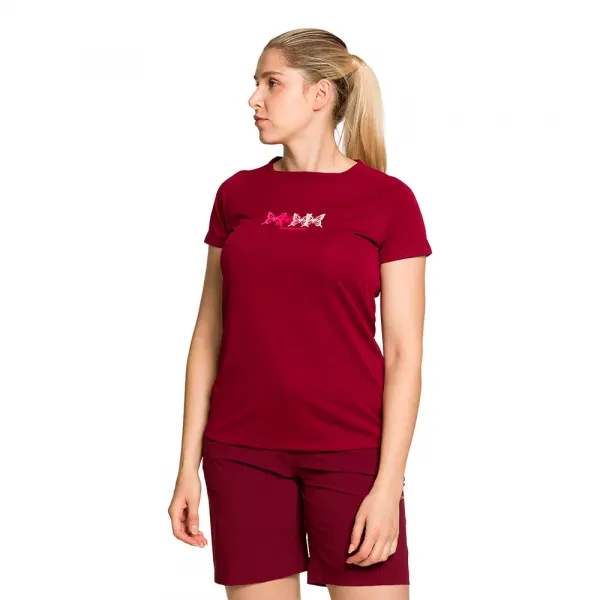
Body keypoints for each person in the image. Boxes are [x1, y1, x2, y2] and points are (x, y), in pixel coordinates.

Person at [168, 27, 433, 600]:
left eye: (272, 83)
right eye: (256, 83)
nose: (254, 99)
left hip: (351, 453)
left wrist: (388, 484)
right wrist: (187, 465)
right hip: (241, 454)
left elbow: (404, 355)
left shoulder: (389, 201)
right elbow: (208, 335)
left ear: (320, 94)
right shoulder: (237, 195)